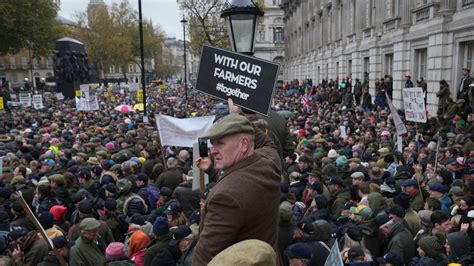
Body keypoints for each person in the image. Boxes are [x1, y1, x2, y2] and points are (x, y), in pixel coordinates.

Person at [192, 109, 282, 265]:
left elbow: (205, 257)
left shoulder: (225, 198)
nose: (213, 151)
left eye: (220, 143)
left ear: (244, 144)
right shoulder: (269, 162)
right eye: (212, 144)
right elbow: (267, 144)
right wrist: (238, 115)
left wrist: (238, 116)